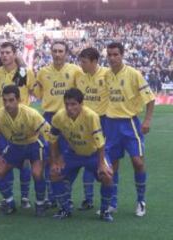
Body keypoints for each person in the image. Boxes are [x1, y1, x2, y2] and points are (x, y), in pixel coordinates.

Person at [0, 85, 51, 216]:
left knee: (37, 173)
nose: (7, 104)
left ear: (19, 100)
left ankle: (40, 204)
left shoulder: (31, 114)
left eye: (11, 100)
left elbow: (49, 134)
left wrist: (53, 156)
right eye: (5, 100)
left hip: (34, 145)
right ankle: (10, 203)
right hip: (14, 146)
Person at [104, 42, 155, 216]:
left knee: (138, 162)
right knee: (113, 165)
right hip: (111, 124)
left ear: (122, 55)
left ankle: (141, 201)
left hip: (129, 123)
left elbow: (150, 99)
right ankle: (113, 202)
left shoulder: (134, 74)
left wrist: (147, 120)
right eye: (109, 55)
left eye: (115, 54)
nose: (112, 58)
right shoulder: (106, 75)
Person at [49, 88, 114, 222]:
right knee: (54, 173)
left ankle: (105, 210)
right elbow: (53, 139)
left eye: (73, 104)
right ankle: (65, 209)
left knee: (107, 176)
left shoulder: (91, 116)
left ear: (81, 104)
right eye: (67, 104)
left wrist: (101, 164)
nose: (69, 107)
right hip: (73, 154)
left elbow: (100, 143)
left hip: (94, 154)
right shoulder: (58, 117)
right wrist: (55, 160)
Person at [34, 41, 82, 209]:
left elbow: (80, 95)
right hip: (49, 118)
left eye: (61, 51)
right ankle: (52, 196)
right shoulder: (42, 72)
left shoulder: (75, 71)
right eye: (54, 51)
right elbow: (38, 93)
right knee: (48, 157)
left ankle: (65, 194)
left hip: (69, 120)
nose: (57, 54)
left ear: (66, 53)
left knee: (67, 157)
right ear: (51, 52)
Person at [0, 41, 36, 208]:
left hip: (23, 124)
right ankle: (7, 197)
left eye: (8, 52)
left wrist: (23, 63)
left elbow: (34, 90)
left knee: (25, 163)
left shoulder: (23, 72)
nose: (4, 55)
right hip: (3, 125)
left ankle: (25, 198)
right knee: (4, 162)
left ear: (15, 54)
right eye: (2, 52)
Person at [73, 47, 110, 210]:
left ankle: (109, 203)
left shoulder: (107, 75)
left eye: (84, 62)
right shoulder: (79, 76)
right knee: (87, 158)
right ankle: (88, 199)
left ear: (94, 62)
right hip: (84, 123)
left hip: (103, 122)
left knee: (104, 160)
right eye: (80, 61)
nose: (81, 64)